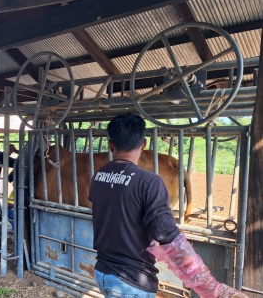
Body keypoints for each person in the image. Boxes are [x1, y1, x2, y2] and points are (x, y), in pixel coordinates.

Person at [90, 113, 246, 298]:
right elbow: (168, 236)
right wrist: (211, 287)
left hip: (102, 273)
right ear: (144, 145)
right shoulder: (148, 182)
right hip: (131, 282)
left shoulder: (98, 176)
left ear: (111, 144)